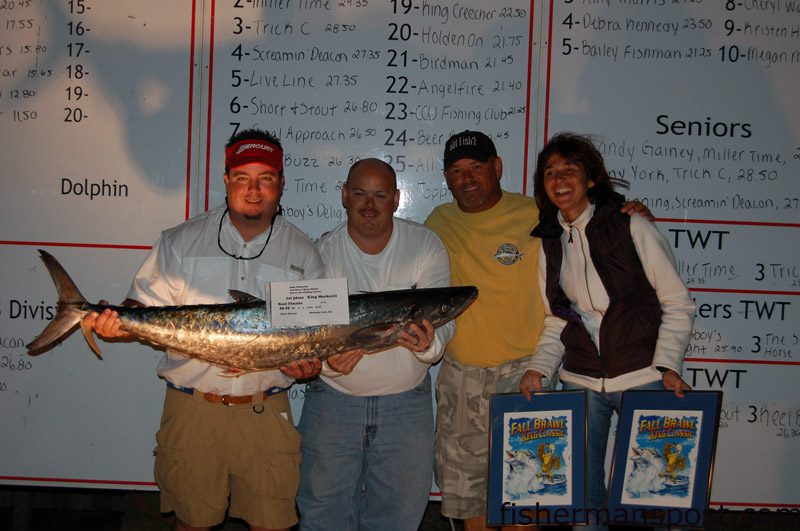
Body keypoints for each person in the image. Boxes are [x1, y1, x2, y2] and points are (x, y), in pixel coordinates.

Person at [86, 128, 325, 531]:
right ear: (227, 180)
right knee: (193, 523)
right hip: (192, 408)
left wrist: (310, 366)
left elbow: (312, 338)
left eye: (265, 178)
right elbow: (140, 309)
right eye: (243, 177)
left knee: (273, 524)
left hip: (267, 411)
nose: (254, 189)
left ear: (281, 185)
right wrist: (118, 324)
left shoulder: (304, 253)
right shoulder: (181, 241)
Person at [425, 130, 652, 531]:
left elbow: (590, 224)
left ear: (498, 168)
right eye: (456, 170)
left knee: (527, 492)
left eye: (477, 167)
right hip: (460, 378)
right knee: (469, 497)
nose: (467, 178)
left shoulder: (538, 214)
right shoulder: (437, 222)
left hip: (526, 374)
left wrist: (626, 214)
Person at [519, 132, 695, 530]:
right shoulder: (548, 243)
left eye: (570, 171)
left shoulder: (631, 225)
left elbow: (677, 302)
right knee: (581, 503)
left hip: (642, 375)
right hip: (579, 379)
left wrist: (667, 364)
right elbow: (558, 318)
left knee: (661, 502)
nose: (560, 180)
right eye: (550, 173)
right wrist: (539, 369)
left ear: (591, 179)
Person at [296, 158, 453, 530]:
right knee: (322, 515)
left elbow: (445, 321)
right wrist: (327, 359)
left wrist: (429, 347)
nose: (369, 205)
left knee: (397, 518)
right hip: (332, 402)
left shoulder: (426, 246)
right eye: (360, 194)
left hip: (406, 405)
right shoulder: (319, 254)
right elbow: (306, 332)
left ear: (397, 199)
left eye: (380, 195)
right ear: (344, 196)